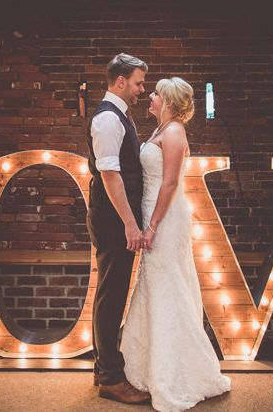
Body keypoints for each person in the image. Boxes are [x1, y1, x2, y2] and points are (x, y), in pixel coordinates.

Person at [120, 77, 231, 411]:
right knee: (157, 287)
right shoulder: (161, 129)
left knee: (169, 288)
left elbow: (169, 184)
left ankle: (176, 374)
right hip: (154, 214)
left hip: (166, 219)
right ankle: (148, 367)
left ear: (167, 101)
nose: (150, 96)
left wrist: (153, 225)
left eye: (155, 93)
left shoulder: (174, 132)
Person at [86, 53, 151, 404]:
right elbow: (110, 175)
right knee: (111, 295)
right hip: (114, 220)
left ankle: (103, 369)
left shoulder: (119, 115)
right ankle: (111, 378)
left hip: (115, 218)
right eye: (139, 83)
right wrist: (130, 224)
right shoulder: (108, 119)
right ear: (121, 80)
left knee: (109, 293)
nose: (142, 89)